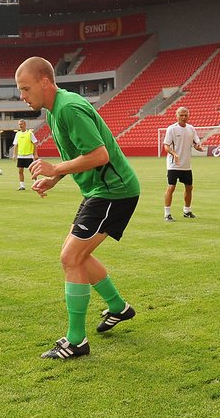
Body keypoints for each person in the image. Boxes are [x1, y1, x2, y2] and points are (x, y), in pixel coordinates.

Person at [16, 56, 140, 360]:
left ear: (45, 82)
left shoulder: (69, 108)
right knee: (79, 256)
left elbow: (98, 155)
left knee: (71, 256)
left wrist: (55, 167)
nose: (22, 95)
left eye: (25, 88)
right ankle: (118, 308)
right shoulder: (55, 112)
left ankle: (76, 341)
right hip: (101, 190)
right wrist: (54, 178)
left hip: (114, 191)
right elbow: (79, 156)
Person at [162, 106, 203, 221]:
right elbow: (166, 146)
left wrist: (198, 147)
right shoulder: (172, 129)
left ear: (188, 116)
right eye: (181, 115)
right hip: (173, 164)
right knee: (171, 187)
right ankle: (167, 214)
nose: (184, 117)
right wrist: (173, 153)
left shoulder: (191, 129)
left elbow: (196, 143)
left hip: (186, 165)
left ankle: (187, 211)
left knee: (189, 187)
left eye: (186, 115)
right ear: (177, 116)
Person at [13, 119, 41, 191]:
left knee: (32, 170)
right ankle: (22, 185)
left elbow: (35, 144)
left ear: (25, 125)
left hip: (29, 155)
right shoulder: (17, 134)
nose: (20, 126)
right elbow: (15, 145)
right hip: (20, 155)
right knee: (20, 171)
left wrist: (35, 154)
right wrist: (14, 155)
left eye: (21, 124)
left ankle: (36, 184)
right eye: (19, 124)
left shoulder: (30, 133)